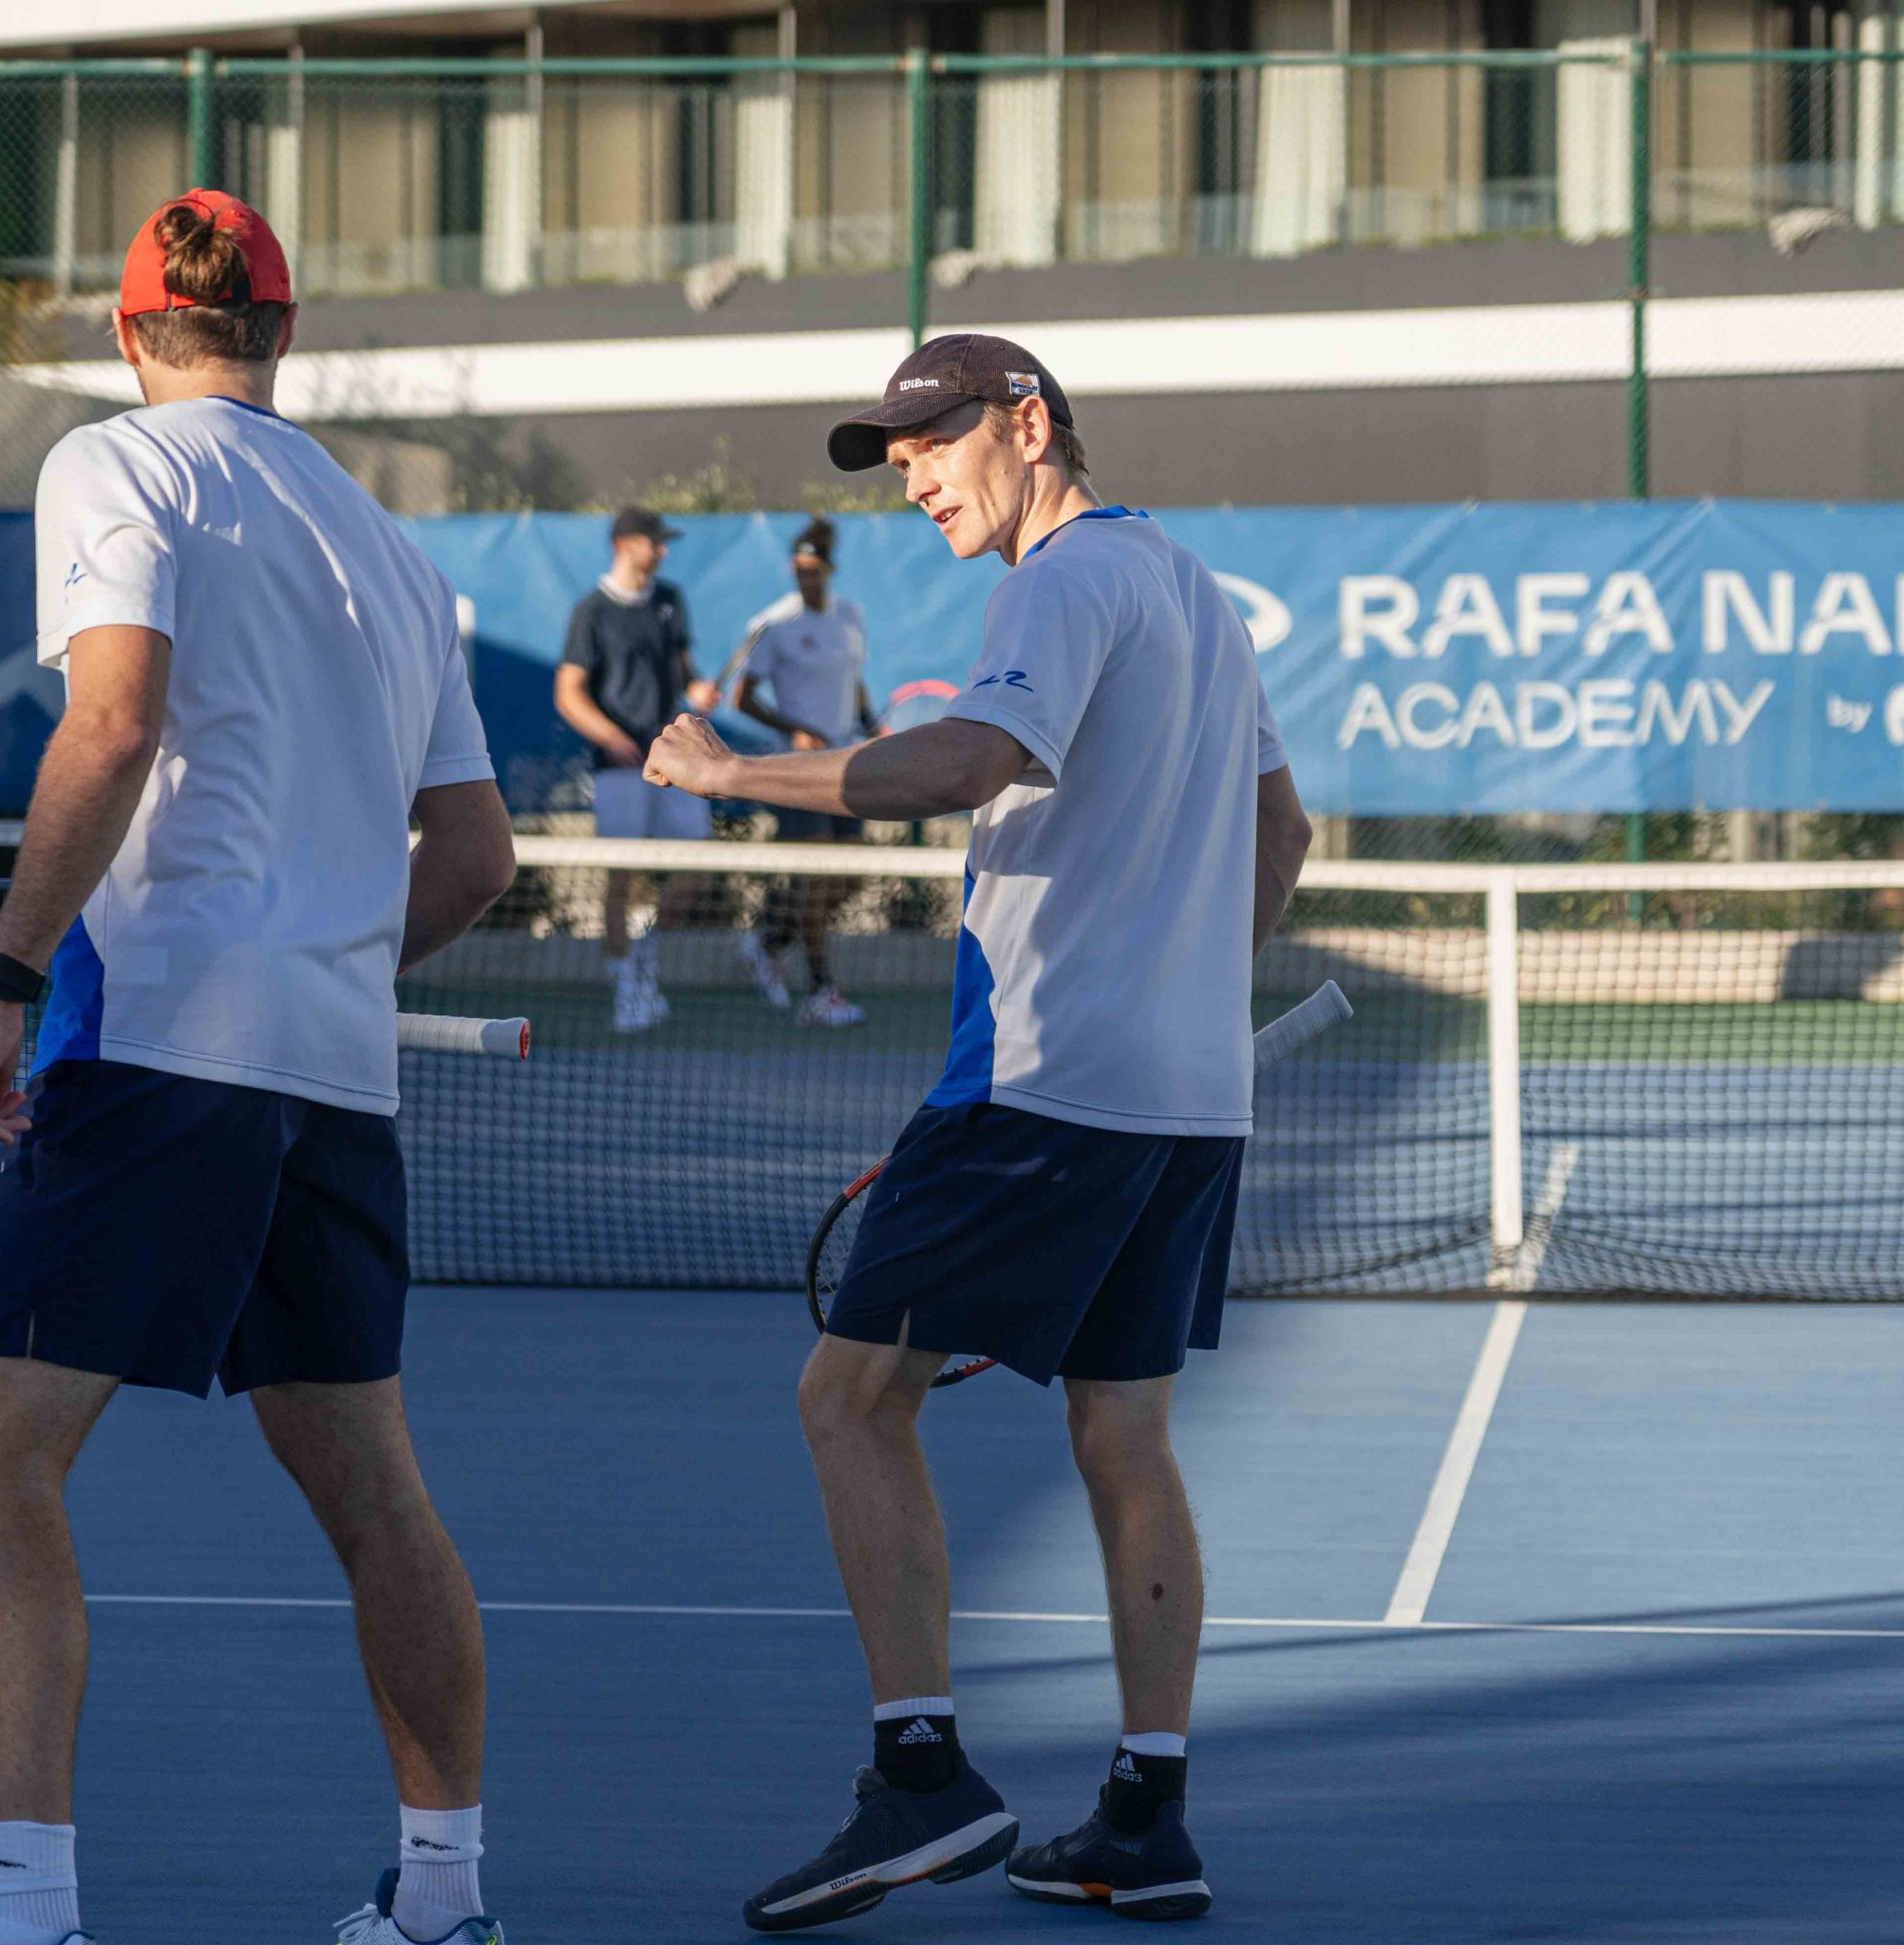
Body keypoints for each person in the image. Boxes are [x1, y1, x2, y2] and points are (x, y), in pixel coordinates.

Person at [644, 333, 1313, 1932]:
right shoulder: (1197, 590)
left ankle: (921, 1774)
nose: (916, 477)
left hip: (1040, 1082)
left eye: (936, 442)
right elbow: (1283, 830)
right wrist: (1186, 995)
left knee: (847, 1398)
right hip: (1179, 1097)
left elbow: (965, 761)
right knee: (1122, 1433)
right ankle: (1146, 1815)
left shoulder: (1063, 580)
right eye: (896, 457)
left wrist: (738, 773)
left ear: (1030, 423)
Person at [0, 190, 516, 1945]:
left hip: (164, 1040)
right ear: (285, 328)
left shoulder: (119, 467)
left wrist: (5, 987)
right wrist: (322, 967)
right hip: (329, 1071)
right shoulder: (393, 552)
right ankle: (446, 1900)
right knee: (378, 1495)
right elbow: (474, 860)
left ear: (128, 331)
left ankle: (26, 1916)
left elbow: (114, 720)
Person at [553, 507, 720, 1032]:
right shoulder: (592, 612)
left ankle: (645, 957)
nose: (663, 550)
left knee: (694, 865)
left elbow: (685, 673)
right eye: (655, 541)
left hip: (675, 759)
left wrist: (699, 692)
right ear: (626, 544)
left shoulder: (670, 601)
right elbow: (568, 692)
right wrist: (612, 738)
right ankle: (626, 987)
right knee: (620, 875)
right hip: (619, 767)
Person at [731, 517, 875, 1029]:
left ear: (829, 570)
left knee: (852, 876)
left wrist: (870, 723)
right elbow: (741, 699)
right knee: (815, 881)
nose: (805, 579)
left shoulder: (851, 616)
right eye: (798, 570)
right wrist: (794, 729)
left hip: (848, 762)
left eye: (814, 570)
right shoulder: (776, 626)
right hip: (796, 770)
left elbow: (853, 682)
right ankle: (820, 991)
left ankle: (768, 941)